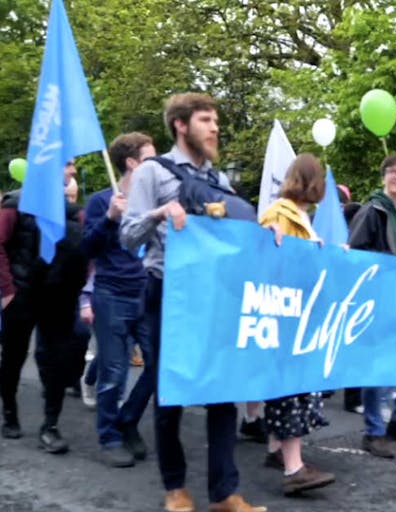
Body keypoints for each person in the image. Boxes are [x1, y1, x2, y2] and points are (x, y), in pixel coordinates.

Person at [120, 93, 266, 512]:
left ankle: (225, 493)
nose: (215, 127)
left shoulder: (220, 180)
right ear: (181, 125)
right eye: (205, 119)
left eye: (216, 120)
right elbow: (128, 235)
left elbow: (237, 239)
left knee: (223, 390)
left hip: (214, 296)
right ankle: (175, 487)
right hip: (168, 292)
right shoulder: (152, 172)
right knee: (171, 390)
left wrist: (265, 236)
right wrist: (159, 214)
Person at [257, 153, 336, 494]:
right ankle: (294, 469)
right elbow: (268, 257)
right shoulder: (280, 214)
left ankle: (277, 451)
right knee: (291, 389)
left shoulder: (299, 215)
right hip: (286, 314)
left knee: (290, 387)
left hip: (295, 313)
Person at [0, 160, 89, 453]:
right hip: (21, 295)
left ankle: (50, 426)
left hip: (58, 298)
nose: (73, 172)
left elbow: (88, 250)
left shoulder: (74, 212)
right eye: (68, 165)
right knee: (13, 357)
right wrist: (8, 289)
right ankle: (9, 412)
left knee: (56, 360)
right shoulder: (14, 205)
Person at [81, 132, 157, 468]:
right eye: (150, 159)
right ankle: (109, 436)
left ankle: (127, 419)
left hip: (146, 292)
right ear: (132, 163)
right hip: (111, 294)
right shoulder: (101, 201)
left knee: (158, 363)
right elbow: (86, 249)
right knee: (113, 370)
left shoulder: (153, 200)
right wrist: (110, 218)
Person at [348, 154, 396, 458]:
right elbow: (355, 256)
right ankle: (373, 431)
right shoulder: (372, 211)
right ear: (384, 176)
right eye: (393, 172)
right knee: (377, 368)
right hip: (376, 301)